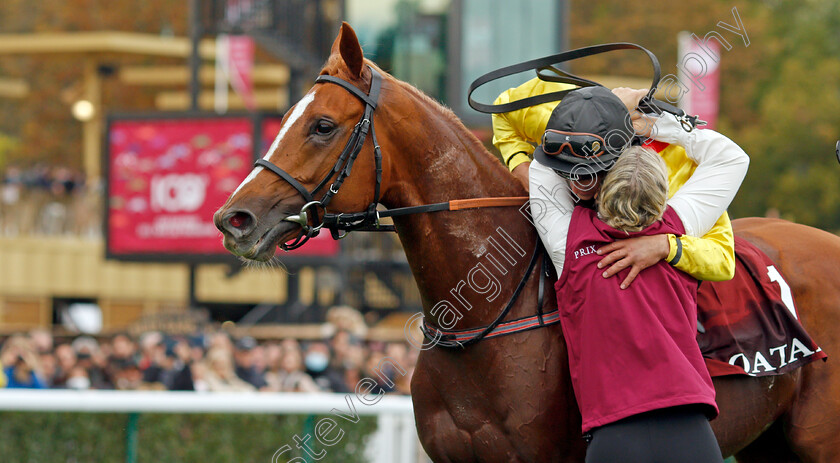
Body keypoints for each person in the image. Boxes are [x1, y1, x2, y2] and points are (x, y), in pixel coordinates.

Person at [532, 87, 749, 462]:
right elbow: (731, 158)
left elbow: (541, 168)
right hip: (689, 428)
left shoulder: (568, 241)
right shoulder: (677, 227)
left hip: (613, 435)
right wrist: (653, 125)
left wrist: (598, 116)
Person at [493, 78, 744, 287]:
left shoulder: (681, 162)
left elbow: (723, 258)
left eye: (587, 172)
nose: (576, 183)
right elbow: (502, 109)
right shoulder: (568, 125)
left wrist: (664, 245)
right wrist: (521, 169)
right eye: (567, 171)